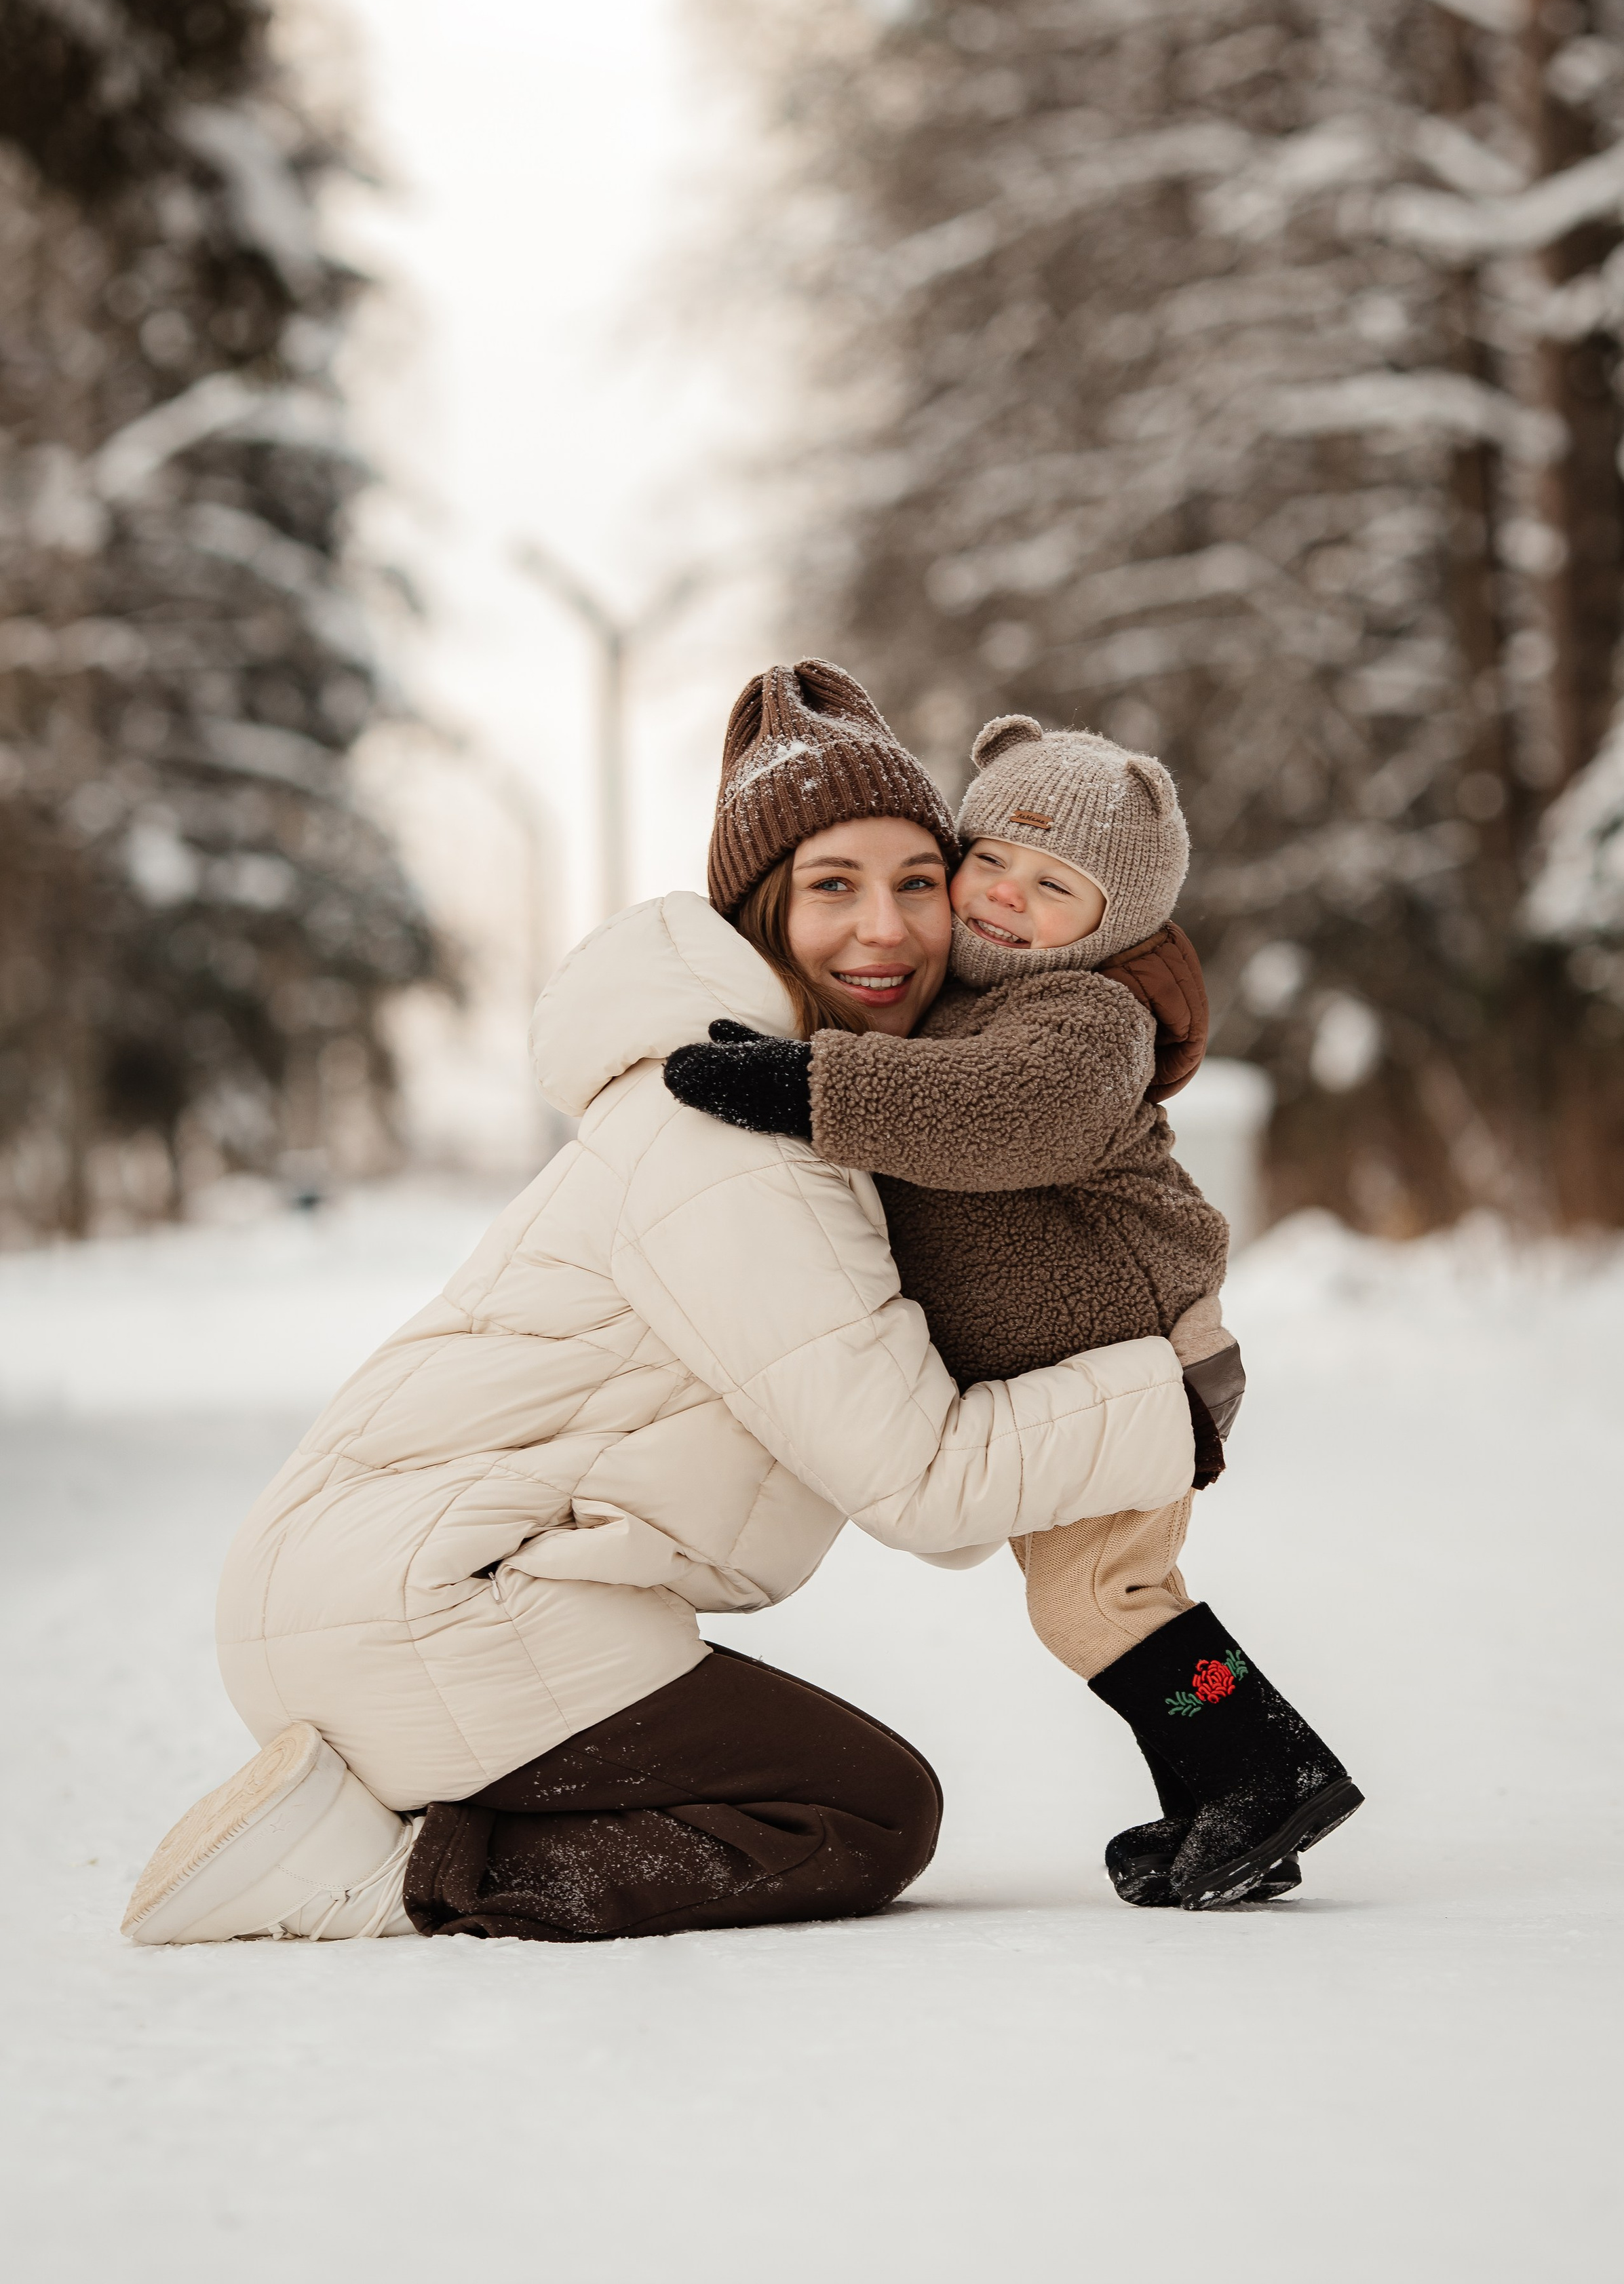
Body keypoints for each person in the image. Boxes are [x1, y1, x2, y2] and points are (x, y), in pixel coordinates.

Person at [121, 662, 1197, 1948]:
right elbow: (925, 1486)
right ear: (758, 912)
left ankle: (376, 1808)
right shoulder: (731, 1139)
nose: (888, 930)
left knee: (857, 1799)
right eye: (832, 887)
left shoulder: (801, 1104)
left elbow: (925, 1469)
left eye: (920, 881)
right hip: (415, 1610)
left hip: (388, 1594)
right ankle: (391, 1871)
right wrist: (1160, 1398)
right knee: (858, 1813)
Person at [667, 712, 1362, 1910]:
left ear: (1116, 921)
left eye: (1056, 885)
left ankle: (1260, 1771)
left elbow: (1005, 1113)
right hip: (1087, 1371)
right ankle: (1224, 1794)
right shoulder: (969, 1005)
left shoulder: (1086, 1020)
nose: (1004, 898)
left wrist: (804, 1085)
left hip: (1143, 1357)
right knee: (1108, 1599)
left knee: (1101, 1598)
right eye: (988, 861)